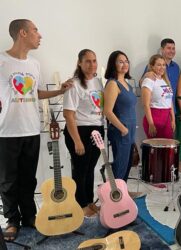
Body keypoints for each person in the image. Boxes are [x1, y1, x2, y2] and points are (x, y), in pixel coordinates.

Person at [0, 19, 72, 241]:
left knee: (28, 178)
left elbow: (36, 93)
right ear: (22, 33)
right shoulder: (1, 61)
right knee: (8, 180)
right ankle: (12, 221)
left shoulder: (34, 64)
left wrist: (60, 91)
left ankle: (29, 216)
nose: (39, 35)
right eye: (35, 30)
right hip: (6, 132)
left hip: (31, 129)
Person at [63, 49, 104, 217]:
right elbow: (68, 114)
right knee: (80, 169)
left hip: (97, 129)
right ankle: (80, 205)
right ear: (79, 63)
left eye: (94, 61)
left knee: (90, 168)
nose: (91, 64)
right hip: (79, 130)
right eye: (87, 61)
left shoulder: (98, 82)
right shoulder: (74, 84)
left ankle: (89, 200)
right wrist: (77, 141)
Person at [103, 51, 137, 182]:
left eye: (126, 61)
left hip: (130, 130)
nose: (125, 64)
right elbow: (107, 111)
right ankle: (115, 196)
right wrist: (123, 129)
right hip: (120, 131)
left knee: (128, 164)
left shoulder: (127, 83)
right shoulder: (113, 84)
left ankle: (123, 194)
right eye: (120, 61)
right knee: (120, 166)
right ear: (113, 64)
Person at [142, 54, 175, 139]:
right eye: (159, 65)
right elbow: (146, 104)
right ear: (152, 66)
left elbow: (169, 101)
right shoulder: (148, 80)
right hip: (154, 117)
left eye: (164, 65)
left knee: (167, 149)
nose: (162, 67)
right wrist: (151, 123)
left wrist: (173, 119)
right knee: (155, 150)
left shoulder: (165, 81)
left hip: (167, 118)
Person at [140, 38, 179, 108]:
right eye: (169, 48)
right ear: (162, 49)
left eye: (173, 48)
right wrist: (146, 75)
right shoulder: (152, 65)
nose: (171, 51)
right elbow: (141, 84)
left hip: (172, 109)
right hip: (157, 109)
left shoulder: (176, 67)